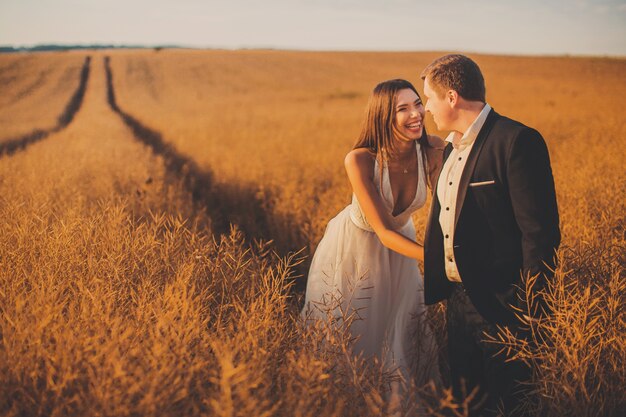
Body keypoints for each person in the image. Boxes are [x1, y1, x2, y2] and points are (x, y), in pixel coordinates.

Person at [420, 54, 560, 416]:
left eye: (429, 98)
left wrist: (533, 308)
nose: (426, 109)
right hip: (458, 303)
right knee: (466, 406)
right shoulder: (450, 147)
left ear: (451, 97)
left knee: (507, 405)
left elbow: (539, 234)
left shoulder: (517, 141)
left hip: (505, 305)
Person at [301, 79, 444, 386]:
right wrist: (440, 259)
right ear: (383, 116)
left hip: (403, 245)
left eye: (418, 103)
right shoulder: (360, 159)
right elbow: (382, 231)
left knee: (404, 330)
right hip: (358, 246)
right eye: (402, 109)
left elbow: (449, 208)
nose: (416, 113)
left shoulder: (434, 150)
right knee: (356, 331)